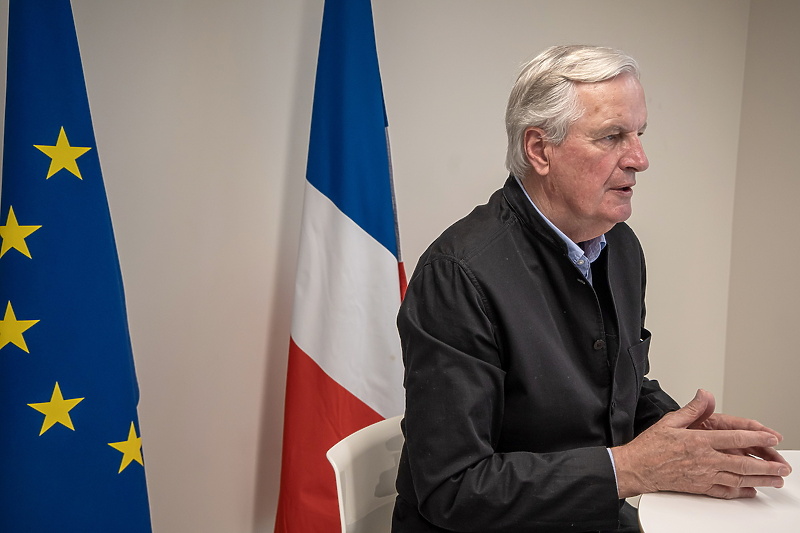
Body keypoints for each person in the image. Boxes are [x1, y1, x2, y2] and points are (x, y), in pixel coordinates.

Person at [391, 45, 791, 533]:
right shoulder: (457, 275)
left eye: (639, 135)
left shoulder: (619, 248)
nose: (640, 160)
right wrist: (632, 468)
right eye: (612, 137)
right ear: (540, 150)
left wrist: (687, 436)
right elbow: (453, 489)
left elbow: (618, 388)